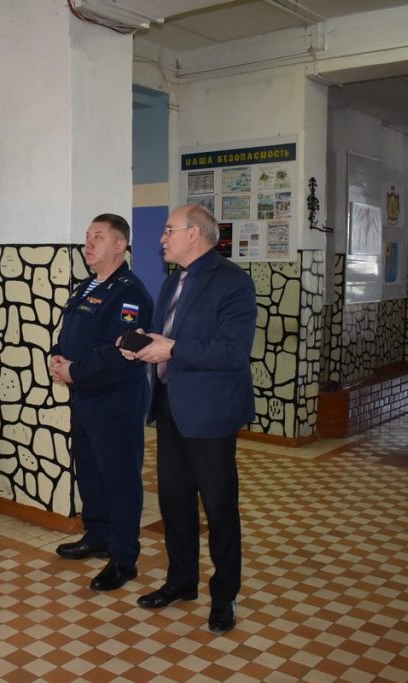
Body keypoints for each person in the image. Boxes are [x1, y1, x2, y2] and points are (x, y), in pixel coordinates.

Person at [120, 204, 256, 633]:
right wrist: (143, 346)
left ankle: (224, 596)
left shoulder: (233, 282)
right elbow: (165, 337)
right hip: (170, 407)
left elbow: (232, 352)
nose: (161, 238)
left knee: (219, 509)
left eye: (168, 230)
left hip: (210, 414)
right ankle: (181, 582)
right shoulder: (172, 281)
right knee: (174, 502)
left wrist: (172, 349)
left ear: (194, 233)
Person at [50, 213, 153, 592]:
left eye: (98, 237)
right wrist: (57, 356)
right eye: (87, 236)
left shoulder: (130, 293)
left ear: (120, 246)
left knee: (120, 478)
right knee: (91, 470)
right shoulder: (86, 286)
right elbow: (70, 332)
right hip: (86, 395)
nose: (88, 243)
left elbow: (120, 349)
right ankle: (97, 536)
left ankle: (123, 558)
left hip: (116, 399)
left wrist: (75, 371)